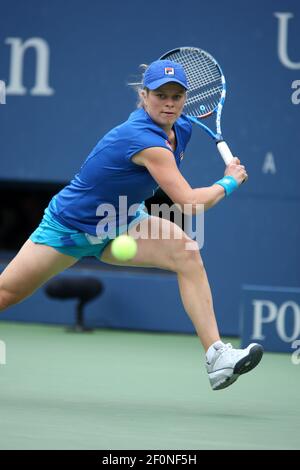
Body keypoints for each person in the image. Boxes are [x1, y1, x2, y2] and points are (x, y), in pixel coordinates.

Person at [0, 59, 263, 390]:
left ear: (186, 98)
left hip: (121, 221)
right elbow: (189, 203)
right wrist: (229, 182)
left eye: (176, 96)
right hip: (69, 229)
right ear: (144, 95)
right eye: (160, 95)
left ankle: (217, 356)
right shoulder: (144, 141)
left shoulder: (181, 126)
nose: (169, 103)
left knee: (186, 251)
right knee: (6, 293)